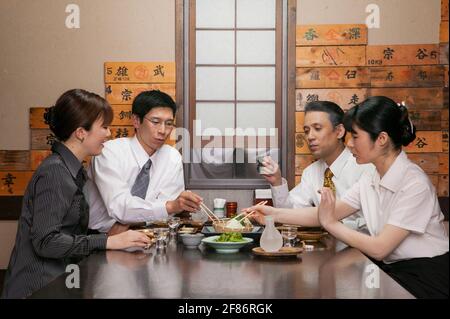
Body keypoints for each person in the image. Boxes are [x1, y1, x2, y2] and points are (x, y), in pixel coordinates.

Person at [247, 96, 449, 298]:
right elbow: (328, 212)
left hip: (426, 274)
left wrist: (330, 224)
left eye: (355, 136)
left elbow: (379, 248)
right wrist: (272, 214)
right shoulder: (371, 175)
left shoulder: (414, 183)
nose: (350, 144)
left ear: (381, 139)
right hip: (391, 268)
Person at [2, 89, 151, 299]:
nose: (108, 134)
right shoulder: (55, 171)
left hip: (60, 282)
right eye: (104, 127)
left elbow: (69, 232)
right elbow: (46, 242)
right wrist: (108, 241)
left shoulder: (73, 170)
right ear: (81, 132)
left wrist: (111, 237)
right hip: (37, 288)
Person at [87, 90, 203, 234]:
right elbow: (120, 207)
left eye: (169, 124)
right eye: (155, 122)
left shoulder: (172, 157)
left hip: (150, 235)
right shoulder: (109, 152)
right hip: (102, 237)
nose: (163, 130)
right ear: (136, 121)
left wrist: (129, 224)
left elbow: (168, 214)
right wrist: (168, 207)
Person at [260, 101, 373, 231]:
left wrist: (333, 225)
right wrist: (277, 182)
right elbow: (289, 213)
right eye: (307, 131)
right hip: (325, 247)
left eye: (317, 129)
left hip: (361, 247)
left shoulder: (364, 167)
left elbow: (374, 224)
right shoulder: (311, 172)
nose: (310, 137)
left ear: (339, 131)